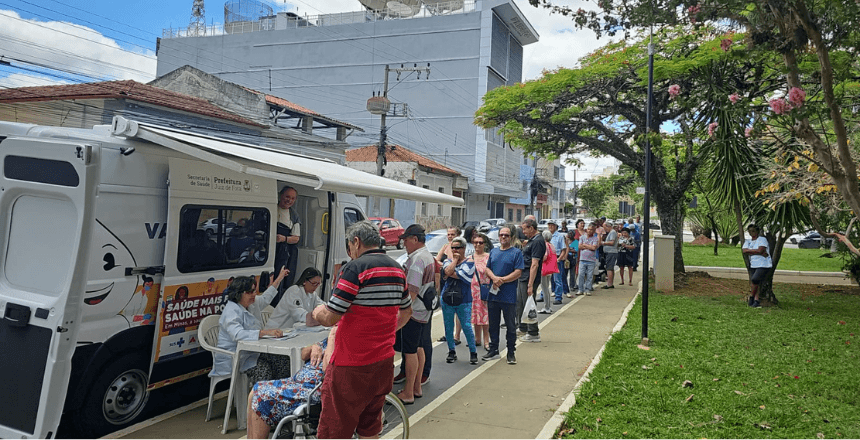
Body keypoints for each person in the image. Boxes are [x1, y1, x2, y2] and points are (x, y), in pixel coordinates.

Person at [310, 221, 411, 439]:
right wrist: (382, 333)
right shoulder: (397, 269)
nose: (350, 253)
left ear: (356, 242)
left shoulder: (355, 269)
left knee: (335, 430)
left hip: (350, 366)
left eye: (349, 247)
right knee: (370, 428)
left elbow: (330, 317)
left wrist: (317, 311)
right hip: (383, 363)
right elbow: (406, 313)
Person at [246, 327, 337, 439]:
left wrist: (331, 341)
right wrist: (314, 347)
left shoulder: (341, 342)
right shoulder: (329, 338)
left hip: (312, 390)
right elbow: (303, 354)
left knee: (261, 396)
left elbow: (329, 369)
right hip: (297, 382)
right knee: (256, 389)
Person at [212, 268, 291, 385]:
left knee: (283, 361)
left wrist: (279, 278)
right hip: (235, 357)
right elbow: (238, 334)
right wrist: (265, 332)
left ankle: (277, 396)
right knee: (264, 370)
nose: (254, 294)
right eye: (250, 292)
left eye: (254, 291)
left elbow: (266, 297)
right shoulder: (231, 311)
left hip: (252, 352)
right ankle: (260, 400)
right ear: (239, 294)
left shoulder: (252, 303)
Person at [389, 224, 435, 404]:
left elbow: (412, 292)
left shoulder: (417, 260)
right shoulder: (427, 256)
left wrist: (400, 313)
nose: (404, 244)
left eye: (406, 240)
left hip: (413, 311)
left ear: (415, 240)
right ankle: (416, 387)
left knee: (409, 352)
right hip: (424, 310)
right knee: (418, 348)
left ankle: (408, 392)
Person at [482, 226, 524, 364]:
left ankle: (511, 352)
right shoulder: (493, 251)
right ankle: (493, 349)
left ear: (511, 237)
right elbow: (487, 268)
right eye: (501, 235)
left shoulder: (516, 253)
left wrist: (502, 280)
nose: (503, 237)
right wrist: (494, 278)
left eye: (506, 235)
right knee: (493, 324)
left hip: (509, 296)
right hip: (493, 295)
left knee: (511, 326)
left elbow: (518, 272)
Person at [440, 236, 478, 365]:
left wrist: (452, 270)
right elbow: (447, 271)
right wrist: (454, 262)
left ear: (464, 248)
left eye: (458, 248)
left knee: (467, 326)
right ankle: (451, 351)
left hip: (464, 299)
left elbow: (463, 276)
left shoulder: (470, 262)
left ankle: (473, 352)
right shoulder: (448, 261)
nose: (455, 250)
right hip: (447, 299)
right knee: (448, 326)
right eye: (453, 248)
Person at [517, 218, 544, 342]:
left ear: (531, 228)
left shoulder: (538, 241)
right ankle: (523, 326)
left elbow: (534, 264)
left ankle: (533, 332)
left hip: (529, 277)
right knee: (521, 303)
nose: (523, 232)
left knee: (529, 304)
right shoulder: (532, 240)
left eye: (525, 229)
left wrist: (530, 284)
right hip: (523, 275)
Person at [437, 225, 464, 345]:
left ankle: (457, 336)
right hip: (445, 280)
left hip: (456, 280)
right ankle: (448, 333)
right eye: (448, 234)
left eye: (452, 234)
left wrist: (447, 266)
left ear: (458, 235)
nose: (450, 236)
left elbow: (460, 264)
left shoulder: (461, 248)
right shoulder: (445, 247)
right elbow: (437, 260)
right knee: (446, 308)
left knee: (458, 308)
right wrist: (445, 266)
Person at [275, 186, 301, 305]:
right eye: (287, 197)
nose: (289, 200)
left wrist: (283, 239)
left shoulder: (293, 215)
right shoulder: (271, 208)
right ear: (280, 195)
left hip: (282, 253)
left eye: (292, 198)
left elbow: (296, 238)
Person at [468, 232, 491, 351]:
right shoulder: (469, 258)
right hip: (472, 291)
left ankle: (486, 340)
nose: (477, 245)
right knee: (475, 315)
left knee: (485, 316)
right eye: (475, 242)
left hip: (484, 290)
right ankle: (477, 339)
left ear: (484, 244)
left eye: (480, 242)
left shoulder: (489, 257)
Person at [741, 224, 771, 308]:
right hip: (753, 264)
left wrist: (750, 251)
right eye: (750, 231)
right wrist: (757, 252)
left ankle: (751, 296)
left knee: (755, 279)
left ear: (757, 231)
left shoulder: (762, 239)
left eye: (753, 231)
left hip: (763, 264)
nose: (752, 233)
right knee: (755, 283)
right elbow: (744, 251)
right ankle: (756, 300)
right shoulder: (748, 241)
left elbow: (761, 249)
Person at [576, 223, 600, 296]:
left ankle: (588, 289)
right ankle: (580, 289)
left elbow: (594, 248)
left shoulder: (595, 238)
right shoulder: (582, 237)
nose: (589, 231)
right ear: (586, 230)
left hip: (591, 260)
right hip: (582, 259)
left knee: (590, 275)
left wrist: (585, 245)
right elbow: (579, 247)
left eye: (591, 230)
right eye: (588, 229)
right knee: (581, 275)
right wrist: (589, 246)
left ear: (594, 231)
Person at [547, 220, 566, 305]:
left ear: (556, 226)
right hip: (547, 258)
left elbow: (563, 250)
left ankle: (558, 297)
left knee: (557, 279)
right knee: (545, 279)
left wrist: (559, 259)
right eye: (549, 225)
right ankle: (543, 296)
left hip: (556, 257)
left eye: (552, 225)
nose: (550, 227)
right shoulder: (546, 235)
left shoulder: (560, 236)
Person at [538, 230, 556, 315]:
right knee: (547, 288)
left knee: (544, 288)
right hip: (550, 269)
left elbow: (544, 257)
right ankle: (548, 306)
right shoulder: (551, 245)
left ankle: (547, 307)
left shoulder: (545, 245)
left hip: (544, 269)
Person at [601, 221, 619, 289]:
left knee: (609, 268)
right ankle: (610, 283)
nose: (604, 229)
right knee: (610, 268)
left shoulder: (612, 232)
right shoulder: (611, 232)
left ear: (608, 226)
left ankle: (609, 284)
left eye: (605, 227)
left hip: (611, 252)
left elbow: (612, 242)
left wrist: (603, 243)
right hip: (610, 252)